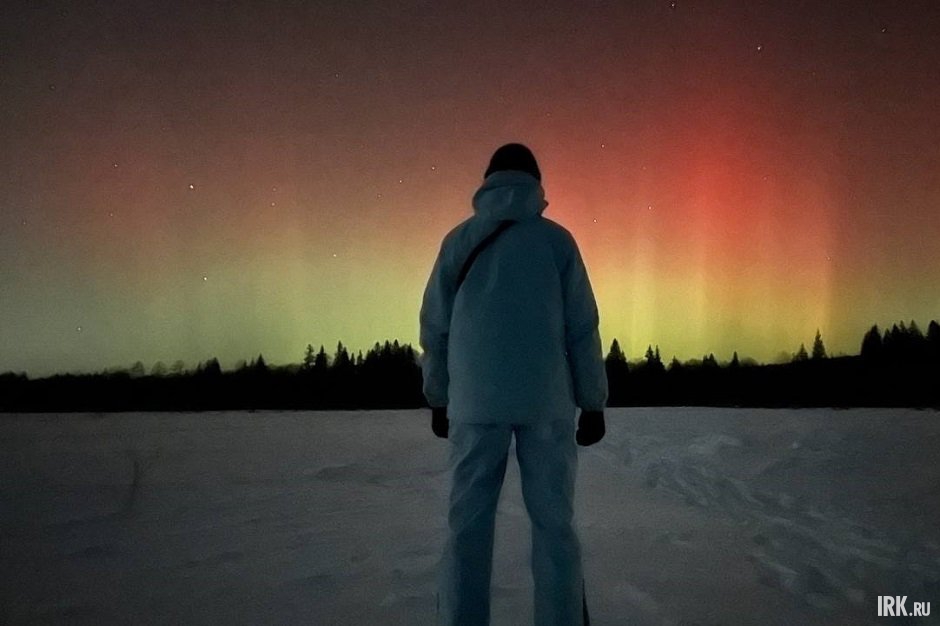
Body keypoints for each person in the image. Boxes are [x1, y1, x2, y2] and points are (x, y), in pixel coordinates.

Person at [419, 142, 608, 625]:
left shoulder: (458, 241)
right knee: (553, 527)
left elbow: (434, 327)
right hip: (547, 403)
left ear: (488, 181)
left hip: (474, 406)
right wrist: (593, 401)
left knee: (468, 529)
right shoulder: (557, 242)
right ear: (535, 183)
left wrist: (439, 397)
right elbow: (582, 327)